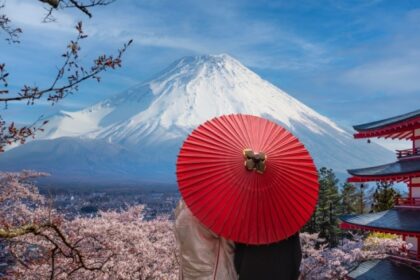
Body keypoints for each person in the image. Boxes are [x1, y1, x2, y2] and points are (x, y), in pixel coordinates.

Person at [174, 199, 238, 280]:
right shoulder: (209, 213)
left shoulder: (181, 211)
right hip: (210, 271)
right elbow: (229, 239)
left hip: (188, 269)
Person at [234, 233, 302, 280]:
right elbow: (296, 257)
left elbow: (237, 260)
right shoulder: (288, 227)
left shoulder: (245, 228)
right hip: (281, 275)